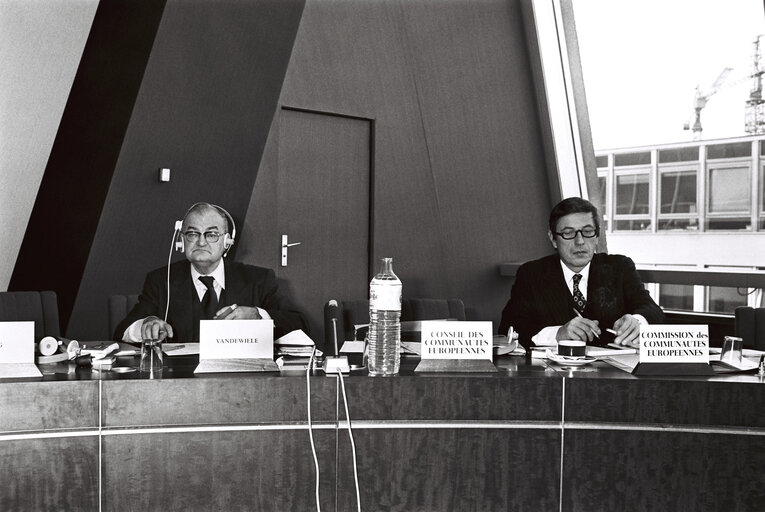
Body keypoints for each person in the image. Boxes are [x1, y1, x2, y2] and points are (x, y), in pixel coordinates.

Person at [114, 202, 307, 342]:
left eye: (212, 234)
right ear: (181, 241)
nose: (201, 242)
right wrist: (146, 324)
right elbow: (122, 330)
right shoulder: (160, 280)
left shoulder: (258, 279)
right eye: (192, 234)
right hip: (179, 383)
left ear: (227, 242)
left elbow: (296, 324)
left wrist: (258, 316)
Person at [499, 197, 664, 348]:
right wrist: (558, 334)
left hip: (612, 374)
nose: (580, 242)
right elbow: (508, 329)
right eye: (568, 233)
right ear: (553, 239)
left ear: (597, 236)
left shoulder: (619, 267)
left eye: (587, 231)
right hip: (554, 374)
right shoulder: (531, 274)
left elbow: (652, 309)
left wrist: (637, 322)